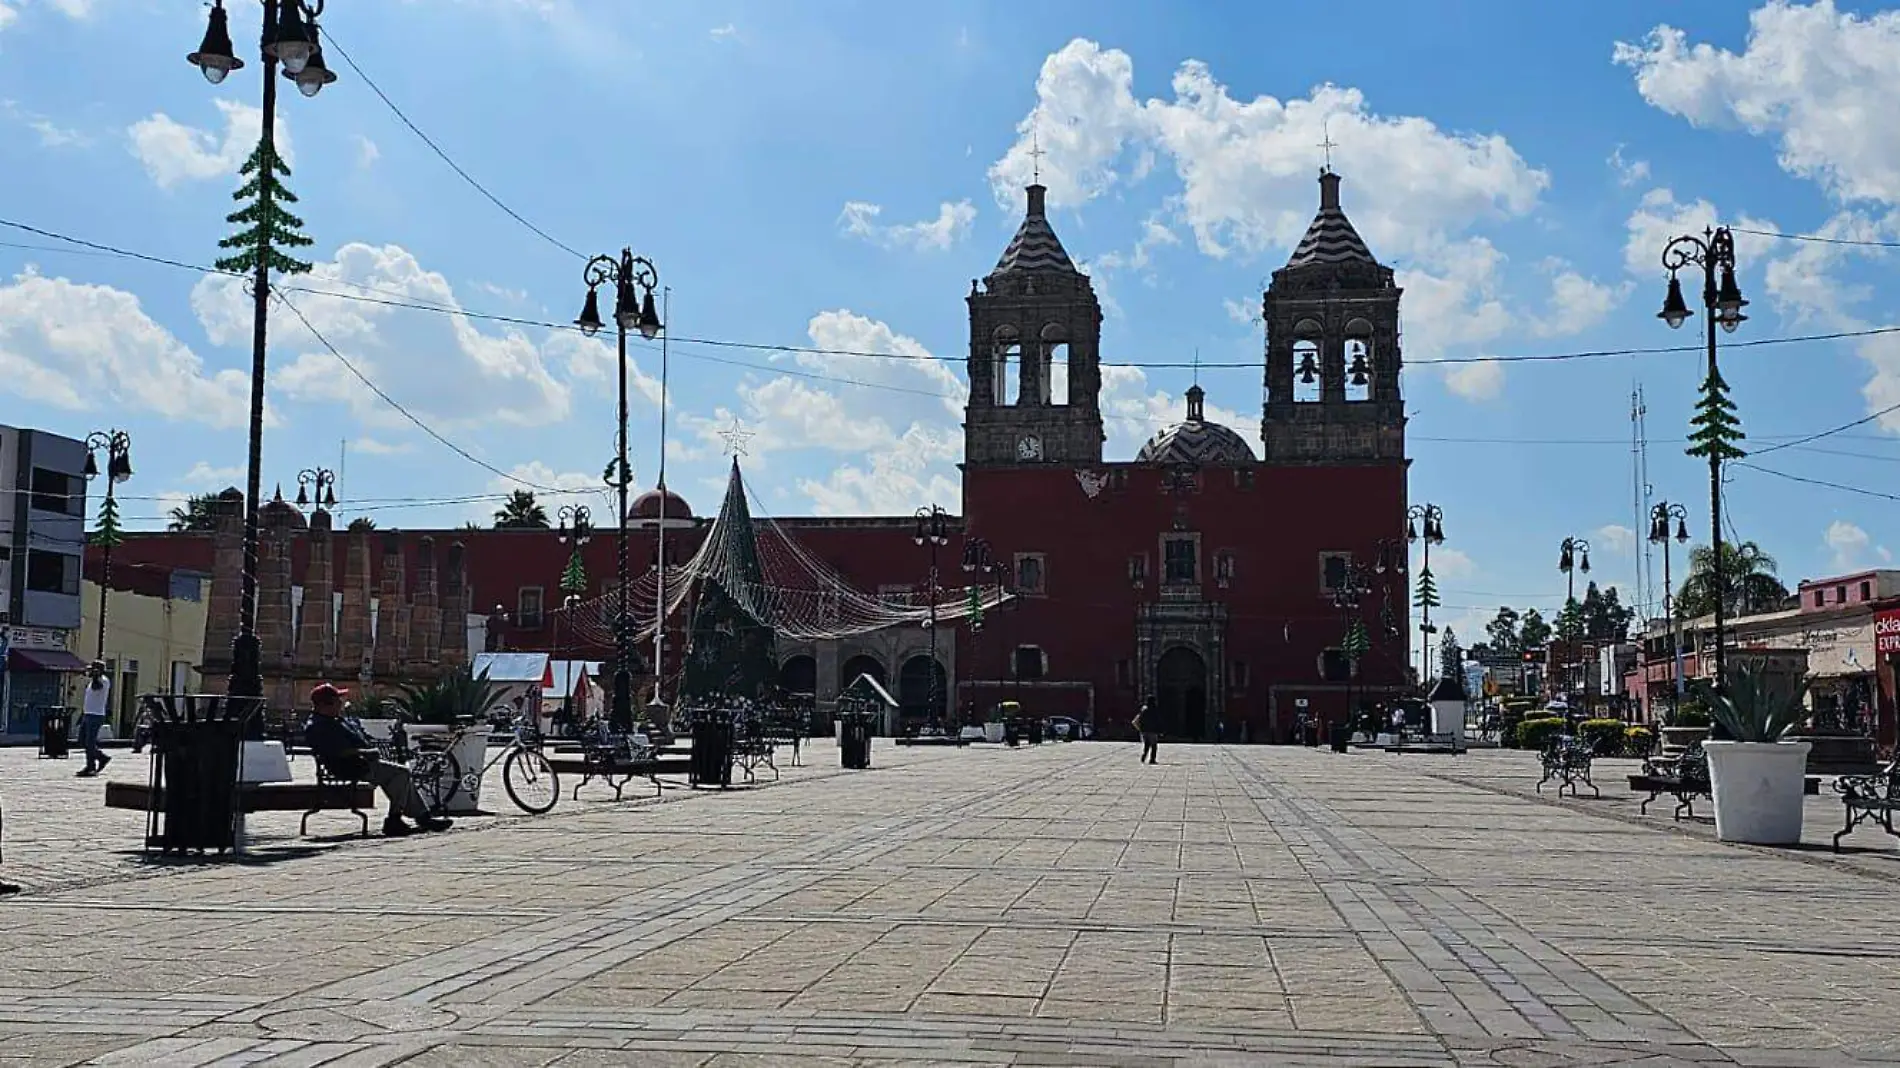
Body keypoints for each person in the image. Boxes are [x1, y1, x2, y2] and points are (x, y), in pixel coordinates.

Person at [302, 683, 450, 836]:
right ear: (326, 704)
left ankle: (421, 817)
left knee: (400, 778)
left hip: (360, 762)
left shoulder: (334, 720)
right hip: (350, 766)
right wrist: (365, 752)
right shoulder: (319, 726)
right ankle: (396, 819)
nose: (341, 704)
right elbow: (338, 751)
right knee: (401, 774)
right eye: (337, 701)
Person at [76, 660, 112, 778]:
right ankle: (102, 757)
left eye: (93, 670)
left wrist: (96, 676)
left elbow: (98, 688)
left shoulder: (104, 681)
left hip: (96, 715)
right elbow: (89, 699)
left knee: (90, 742)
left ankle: (90, 767)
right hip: (88, 714)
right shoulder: (92, 682)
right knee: (82, 740)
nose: (89, 672)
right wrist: (82, 715)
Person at [1134, 700, 1158, 764]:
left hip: (1144, 731)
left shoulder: (1143, 710)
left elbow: (1136, 721)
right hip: (1152, 731)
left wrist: (1140, 729)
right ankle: (1152, 759)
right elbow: (1158, 721)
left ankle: (1143, 757)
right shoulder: (1154, 710)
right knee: (1154, 746)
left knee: (1146, 745)